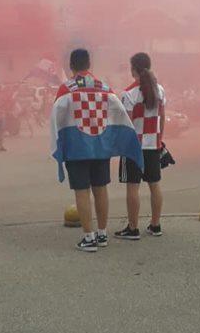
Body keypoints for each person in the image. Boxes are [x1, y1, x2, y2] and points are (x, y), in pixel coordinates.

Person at [50, 49, 142, 252]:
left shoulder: (66, 89)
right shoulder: (104, 87)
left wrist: (59, 145)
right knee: (101, 190)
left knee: (81, 192)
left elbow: (57, 117)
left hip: (77, 148)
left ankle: (88, 238)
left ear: (71, 66)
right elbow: (119, 114)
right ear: (89, 64)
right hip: (101, 147)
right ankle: (102, 234)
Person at [115, 52, 166, 240]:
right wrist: (160, 140)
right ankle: (155, 224)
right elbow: (161, 119)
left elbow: (127, 124)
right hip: (154, 144)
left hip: (133, 146)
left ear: (133, 69)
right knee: (154, 184)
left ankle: (133, 227)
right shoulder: (159, 90)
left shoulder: (128, 94)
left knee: (133, 186)